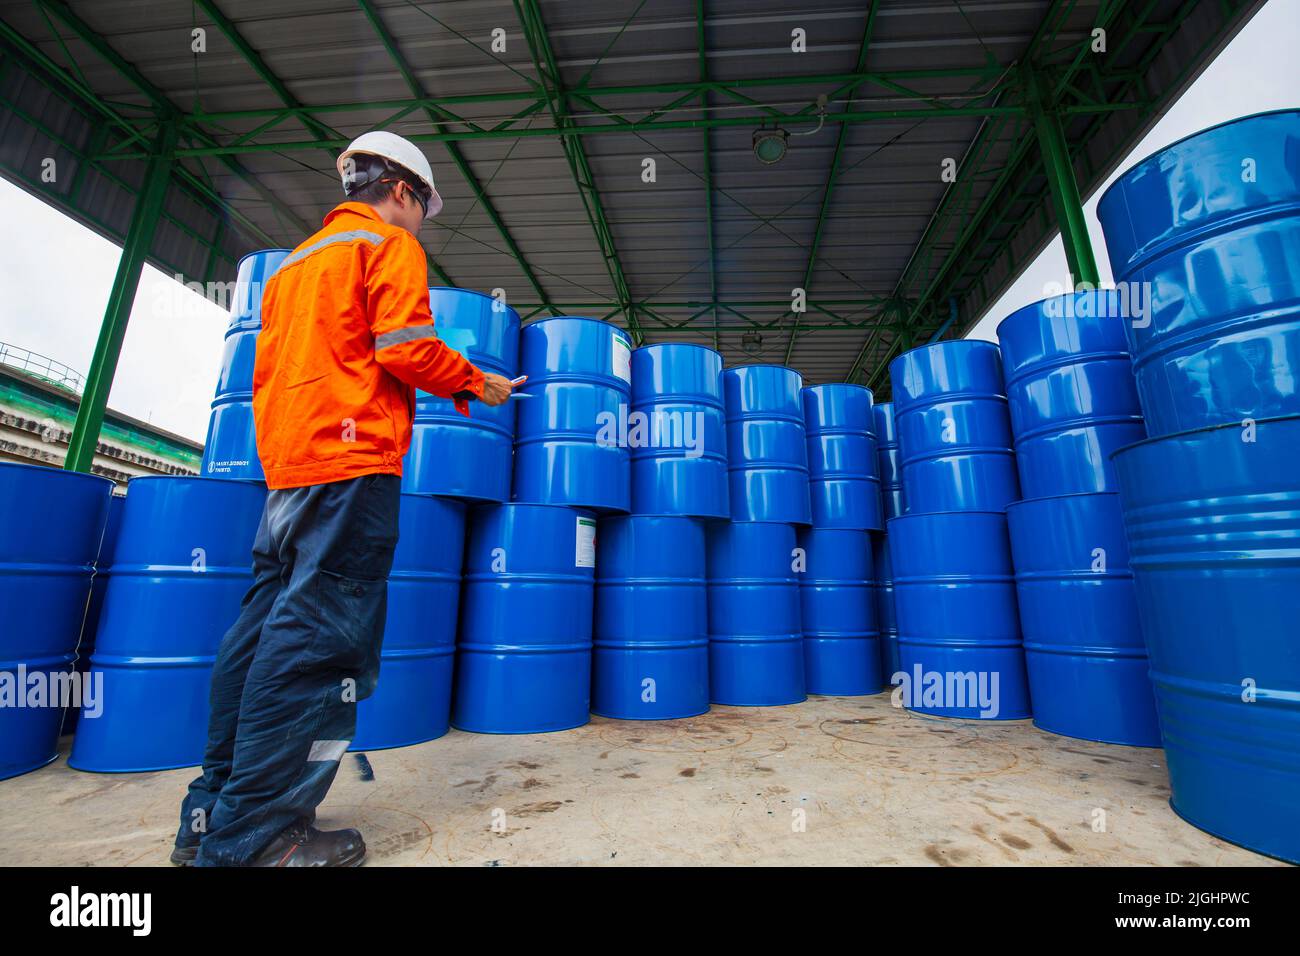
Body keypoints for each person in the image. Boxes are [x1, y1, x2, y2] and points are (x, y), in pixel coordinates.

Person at [171, 131, 513, 867]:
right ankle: (258, 839)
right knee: (318, 645)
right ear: (401, 192)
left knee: (260, 635)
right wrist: (473, 382)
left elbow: (270, 373)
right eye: (424, 206)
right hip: (352, 463)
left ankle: (210, 813)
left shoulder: (295, 265)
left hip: (291, 469)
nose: (422, 221)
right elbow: (404, 346)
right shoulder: (385, 246)